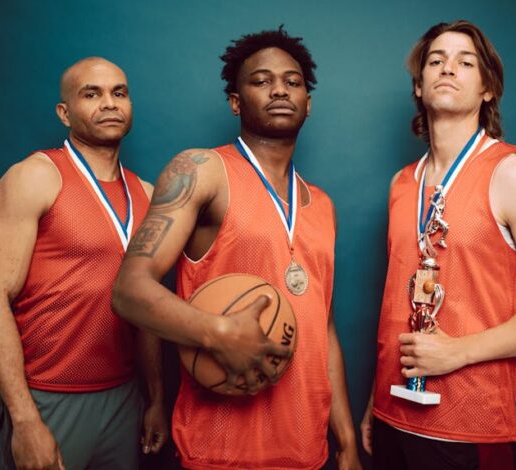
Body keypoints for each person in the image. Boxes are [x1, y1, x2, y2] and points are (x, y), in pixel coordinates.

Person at [112, 27, 361, 469]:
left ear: (308, 102)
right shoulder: (202, 170)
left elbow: (323, 329)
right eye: (261, 80)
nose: (280, 88)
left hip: (307, 447)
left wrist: (344, 441)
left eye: (293, 81)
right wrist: (219, 334)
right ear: (235, 101)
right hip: (220, 448)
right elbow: (129, 291)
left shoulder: (322, 204)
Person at [361, 20, 516, 469]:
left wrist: (459, 351)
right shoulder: (401, 184)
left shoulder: (513, 174)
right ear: (419, 85)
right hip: (392, 420)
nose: (448, 68)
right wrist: (374, 400)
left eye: (466, 62)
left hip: (469, 432)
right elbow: (397, 305)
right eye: (436, 60)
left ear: (487, 89)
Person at [0, 57, 167, 470]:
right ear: (64, 113)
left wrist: (155, 399)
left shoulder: (147, 194)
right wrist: (24, 420)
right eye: (91, 94)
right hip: (47, 396)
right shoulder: (35, 177)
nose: (109, 103)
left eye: (119, 92)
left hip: (123, 399)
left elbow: (147, 311)